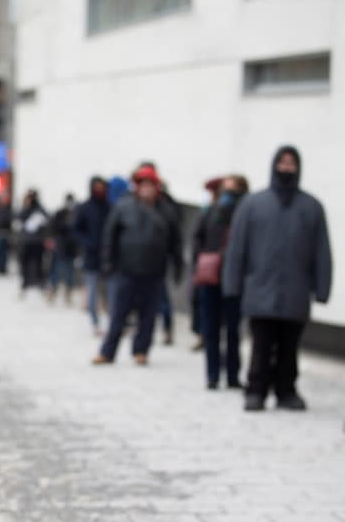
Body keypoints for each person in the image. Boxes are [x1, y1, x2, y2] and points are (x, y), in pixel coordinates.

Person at [224, 146, 332, 412]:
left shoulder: (311, 207)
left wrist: (322, 287)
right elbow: (238, 247)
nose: (286, 167)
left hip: (295, 290)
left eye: (291, 163)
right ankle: (256, 390)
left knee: (289, 347)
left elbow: (321, 250)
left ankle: (286, 390)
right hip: (261, 288)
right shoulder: (253, 204)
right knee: (260, 345)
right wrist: (232, 283)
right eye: (282, 162)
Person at [93, 166, 183, 366]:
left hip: (154, 272)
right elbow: (110, 237)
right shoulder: (124, 207)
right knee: (119, 314)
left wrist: (177, 266)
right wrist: (108, 263)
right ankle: (108, 352)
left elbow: (175, 242)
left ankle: (141, 350)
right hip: (126, 270)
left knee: (148, 316)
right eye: (142, 185)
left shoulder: (166, 210)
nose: (146, 189)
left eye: (150, 185)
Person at [193, 175, 249, 390]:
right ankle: (212, 375)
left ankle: (233, 375)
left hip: (235, 279)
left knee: (233, 331)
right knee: (211, 329)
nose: (229, 195)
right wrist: (204, 260)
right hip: (211, 278)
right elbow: (197, 238)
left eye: (233, 190)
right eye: (226, 190)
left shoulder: (246, 213)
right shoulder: (211, 211)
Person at [190, 177, 225, 351]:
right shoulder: (207, 211)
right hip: (207, 266)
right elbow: (198, 237)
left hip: (222, 268)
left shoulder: (228, 212)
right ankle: (203, 334)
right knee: (201, 303)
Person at [76, 176, 111, 336]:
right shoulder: (85, 207)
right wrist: (87, 243)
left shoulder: (110, 207)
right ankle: (95, 323)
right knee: (92, 292)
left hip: (109, 257)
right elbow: (77, 230)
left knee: (111, 292)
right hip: (91, 256)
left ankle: (112, 322)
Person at [16, 189, 50, 297]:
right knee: (24, 264)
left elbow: (47, 220)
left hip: (37, 242)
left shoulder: (39, 209)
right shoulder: (25, 209)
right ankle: (25, 284)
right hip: (26, 242)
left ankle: (40, 284)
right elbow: (19, 219)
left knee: (39, 264)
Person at [47, 193, 79, 304]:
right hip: (61, 247)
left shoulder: (76, 214)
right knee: (57, 271)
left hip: (71, 248)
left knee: (70, 273)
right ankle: (52, 292)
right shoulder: (60, 213)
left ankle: (67, 295)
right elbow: (53, 227)